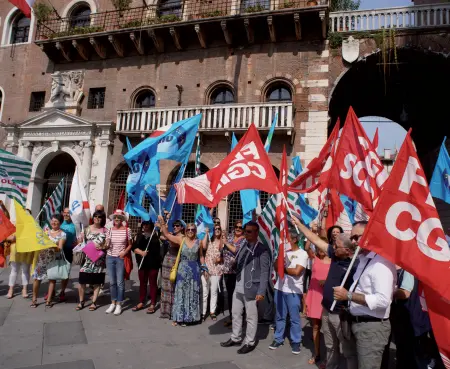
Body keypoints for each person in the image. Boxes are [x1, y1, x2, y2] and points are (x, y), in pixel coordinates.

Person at [292, 216, 358, 369]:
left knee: (348, 350)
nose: (332, 249)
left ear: (347, 250)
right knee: (330, 345)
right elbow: (315, 240)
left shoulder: (355, 266)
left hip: (341, 313)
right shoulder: (335, 255)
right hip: (326, 309)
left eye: (337, 246)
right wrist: (300, 225)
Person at [333, 221, 397, 369]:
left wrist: (348, 295)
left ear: (371, 236)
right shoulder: (364, 259)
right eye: (352, 238)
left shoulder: (381, 264)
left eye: (357, 237)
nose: (353, 241)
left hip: (371, 328)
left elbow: (383, 301)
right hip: (356, 323)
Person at [220, 221, 271, 354]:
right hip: (238, 284)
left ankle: (250, 341)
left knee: (251, 316)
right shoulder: (244, 245)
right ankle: (235, 337)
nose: (245, 234)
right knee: (236, 313)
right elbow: (237, 253)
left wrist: (261, 291)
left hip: (251, 287)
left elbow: (265, 272)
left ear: (256, 233)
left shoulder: (262, 250)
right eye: (245, 231)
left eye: (249, 231)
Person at [157, 216, 205, 326]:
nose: (190, 231)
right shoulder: (181, 239)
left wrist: (204, 267)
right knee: (181, 293)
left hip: (194, 270)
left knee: (192, 293)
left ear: (195, 231)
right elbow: (168, 235)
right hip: (182, 270)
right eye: (188, 229)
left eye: (193, 229)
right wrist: (163, 223)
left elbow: (201, 256)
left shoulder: (199, 242)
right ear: (185, 230)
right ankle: (179, 317)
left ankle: (191, 317)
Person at [269, 229, 309, 355]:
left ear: (294, 239)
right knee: (280, 316)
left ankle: (296, 341)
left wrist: (283, 268)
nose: (285, 241)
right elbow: (275, 267)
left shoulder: (303, 254)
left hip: (293, 291)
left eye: (287, 239)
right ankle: (278, 338)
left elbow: (297, 272)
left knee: (294, 318)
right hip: (280, 288)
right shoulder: (284, 252)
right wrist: (280, 258)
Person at [31, 214, 66, 308]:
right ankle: (34, 298)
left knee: (52, 280)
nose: (53, 222)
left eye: (56, 221)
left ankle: (49, 300)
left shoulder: (62, 234)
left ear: (60, 223)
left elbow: (60, 248)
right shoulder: (45, 231)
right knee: (37, 278)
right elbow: (38, 241)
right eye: (52, 220)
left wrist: (53, 246)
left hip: (53, 260)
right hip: (42, 259)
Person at [76, 210, 108, 311]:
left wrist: (102, 246)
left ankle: (94, 302)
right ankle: (81, 301)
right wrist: (80, 240)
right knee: (82, 281)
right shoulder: (86, 229)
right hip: (86, 259)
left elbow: (108, 244)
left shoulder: (105, 230)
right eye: (95, 216)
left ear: (102, 219)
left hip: (99, 259)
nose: (97, 219)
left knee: (97, 282)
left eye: (99, 217)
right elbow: (80, 241)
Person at [306, 239, 331, 365]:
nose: (319, 250)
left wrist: (326, 281)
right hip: (315, 296)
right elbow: (306, 247)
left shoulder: (333, 262)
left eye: (322, 247)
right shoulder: (314, 258)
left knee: (327, 329)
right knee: (315, 326)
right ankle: (316, 353)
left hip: (326, 297)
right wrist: (312, 232)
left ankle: (329, 357)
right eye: (318, 247)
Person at [1, 201, 33, 299]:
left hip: (27, 250)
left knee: (25, 270)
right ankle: (10, 290)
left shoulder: (32, 227)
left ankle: (25, 289)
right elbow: (7, 236)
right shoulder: (15, 225)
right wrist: (12, 238)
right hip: (15, 250)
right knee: (14, 270)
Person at [105, 209, 132, 316]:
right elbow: (107, 243)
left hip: (120, 258)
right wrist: (104, 245)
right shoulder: (110, 230)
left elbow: (130, 244)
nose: (117, 219)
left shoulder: (127, 230)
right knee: (112, 282)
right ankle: (113, 302)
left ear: (122, 219)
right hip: (110, 257)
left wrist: (124, 253)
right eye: (115, 217)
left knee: (120, 282)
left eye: (119, 217)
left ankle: (119, 304)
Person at [132, 221, 161, 314]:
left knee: (153, 284)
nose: (145, 226)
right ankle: (141, 301)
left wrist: (160, 226)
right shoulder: (139, 235)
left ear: (151, 225)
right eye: (144, 224)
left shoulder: (156, 234)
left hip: (153, 263)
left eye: (147, 224)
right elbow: (134, 248)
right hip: (142, 263)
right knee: (142, 283)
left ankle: (153, 303)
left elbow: (165, 238)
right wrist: (141, 252)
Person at [221, 220, 246, 327]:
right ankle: (232, 318)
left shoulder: (244, 240)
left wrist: (226, 243)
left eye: (240, 227)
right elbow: (223, 248)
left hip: (237, 271)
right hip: (227, 270)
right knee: (230, 296)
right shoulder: (230, 237)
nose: (238, 229)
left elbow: (237, 251)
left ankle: (240, 320)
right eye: (236, 226)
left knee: (238, 297)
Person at [159, 218, 185, 319]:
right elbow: (163, 236)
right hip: (167, 262)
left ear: (182, 228)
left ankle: (173, 311)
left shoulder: (181, 237)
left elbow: (166, 236)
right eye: (174, 225)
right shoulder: (174, 236)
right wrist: (161, 226)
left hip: (174, 263)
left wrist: (162, 223)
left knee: (172, 287)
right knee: (165, 286)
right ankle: (165, 311)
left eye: (177, 225)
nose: (175, 227)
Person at [202, 225, 223, 321]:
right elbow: (203, 246)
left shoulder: (222, 242)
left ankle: (212, 311)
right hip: (206, 269)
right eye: (215, 229)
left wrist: (220, 259)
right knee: (205, 291)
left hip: (216, 270)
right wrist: (206, 233)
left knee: (214, 291)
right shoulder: (209, 239)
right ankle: (203, 312)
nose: (217, 230)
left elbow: (225, 255)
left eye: (219, 229)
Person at [58, 207, 77, 302]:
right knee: (54, 271)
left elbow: (77, 239)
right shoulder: (58, 223)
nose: (66, 214)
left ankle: (62, 291)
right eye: (64, 212)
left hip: (68, 250)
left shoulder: (75, 226)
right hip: (57, 250)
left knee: (66, 272)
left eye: (68, 213)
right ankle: (51, 291)